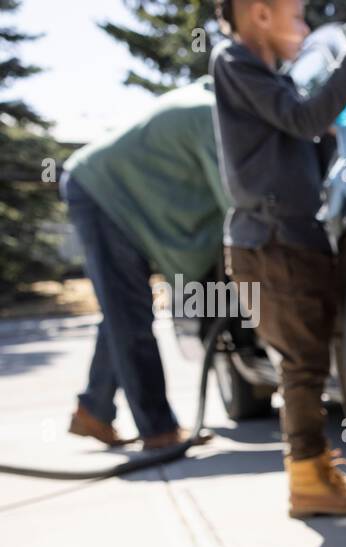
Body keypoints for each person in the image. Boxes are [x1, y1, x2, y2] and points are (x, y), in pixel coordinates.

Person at [211, 0, 346, 518]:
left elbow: (305, 133)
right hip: (271, 242)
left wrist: (334, 134)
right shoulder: (233, 62)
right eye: (298, 16)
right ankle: (307, 478)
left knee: (309, 358)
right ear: (260, 15)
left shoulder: (269, 77)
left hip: (289, 236)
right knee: (302, 365)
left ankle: (315, 468)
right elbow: (304, 117)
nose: (306, 28)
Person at [61, 77, 228, 450]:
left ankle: (94, 410)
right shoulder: (209, 113)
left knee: (123, 313)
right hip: (102, 194)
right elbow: (233, 198)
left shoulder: (207, 100)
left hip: (117, 196)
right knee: (130, 315)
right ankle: (158, 430)